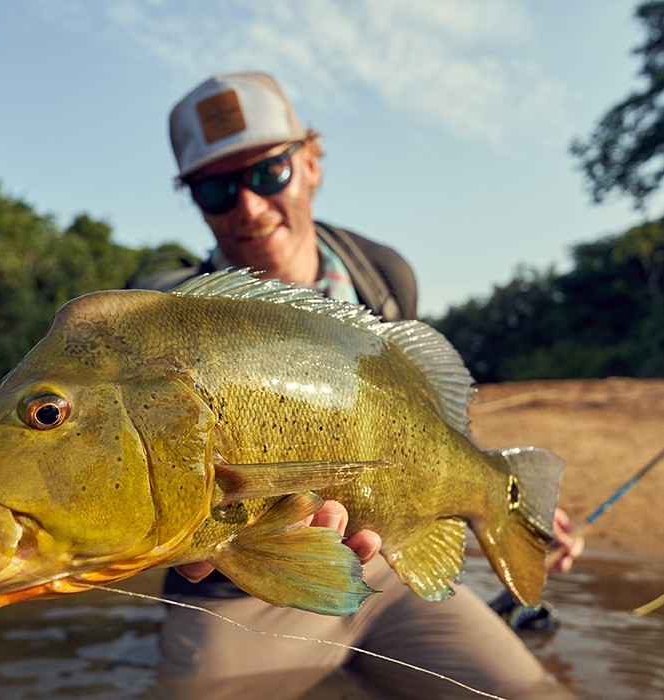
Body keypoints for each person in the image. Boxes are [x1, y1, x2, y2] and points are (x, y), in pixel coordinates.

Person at [132, 72, 583, 699]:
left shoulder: (385, 278)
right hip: (235, 589)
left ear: (311, 164)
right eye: (215, 188)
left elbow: (428, 423)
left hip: (386, 568)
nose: (249, 206)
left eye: (267, 173)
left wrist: (517, 507)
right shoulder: (165, 321)